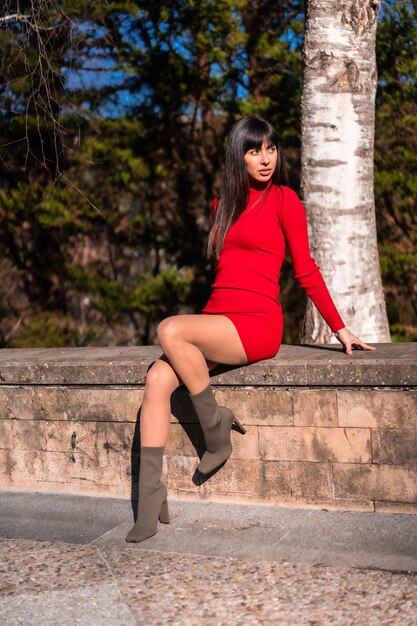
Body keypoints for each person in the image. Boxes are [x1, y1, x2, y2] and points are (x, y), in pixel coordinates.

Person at [125, 115, 375, 543]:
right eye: (255, 150)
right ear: (238, 155)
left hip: (257, 323)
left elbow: (306, 270)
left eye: (272, 149)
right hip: (217, 321)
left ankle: (216, 432)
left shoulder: (285, 201)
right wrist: (205, 324)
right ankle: (150, 498)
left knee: (170, 329)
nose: (265, 159)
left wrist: (340, 328)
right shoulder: (221, 206)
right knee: (156, 379)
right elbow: (226, 274)